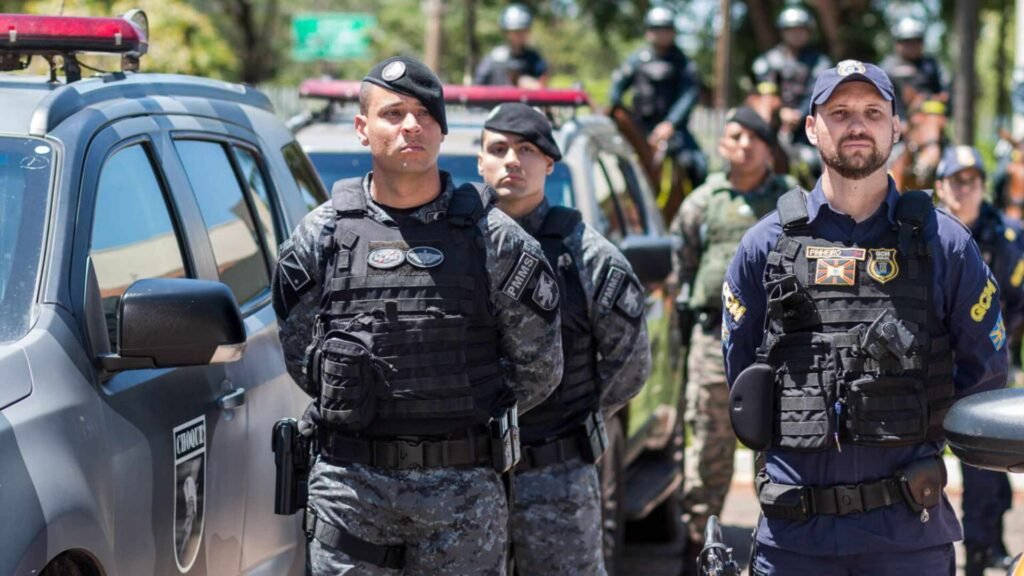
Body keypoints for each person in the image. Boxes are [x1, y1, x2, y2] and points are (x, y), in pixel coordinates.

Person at [271, 56, 564, 576]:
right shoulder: (322, 235)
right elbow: (300, 355)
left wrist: (457, 407)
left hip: (463, 497)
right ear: (362, 127)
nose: (411, 125)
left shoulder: (494, 239)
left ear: (442, 131)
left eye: (426, 114)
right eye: (393, 113)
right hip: (350, 492)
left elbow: (539, 367)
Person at [723, 60, 1008, 575]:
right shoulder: (766, 245)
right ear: (812, 127)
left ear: (896, 127)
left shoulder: (945, 244)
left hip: (907, 538)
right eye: (840, 113)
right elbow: (743, 375)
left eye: (873, 112)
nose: (857, 125)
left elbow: (984, 376)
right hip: (793, 540)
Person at [476, 102, 651, 575]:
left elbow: (630, 364)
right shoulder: (455, 244)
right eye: (499, 149)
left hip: (555, 476)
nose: (512, 161)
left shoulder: (588, 254)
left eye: (526, 150)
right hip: (465, 479)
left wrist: (574, 415)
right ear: (480, 161)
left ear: (549, 164)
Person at [668, 106, 795, 567]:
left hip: (779, 343)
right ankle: (696, 544)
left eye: (754, 138)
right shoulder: (703, 201)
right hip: (713, 341)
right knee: (708, 444)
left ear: (769, 149)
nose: (743, 145)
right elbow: (682, 265)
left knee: (781, 444)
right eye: (735, 136)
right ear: (722, 144)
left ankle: (782, 541)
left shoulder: (790, 203)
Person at [933, 146, 1020, 576]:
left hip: (985, 364)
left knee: (988, 466)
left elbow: (1016, 300)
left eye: (974, 180)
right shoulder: (923, 233)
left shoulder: (1006, 236)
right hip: (932, 365)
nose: (966, 189)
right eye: (957, 180)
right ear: (940, 186)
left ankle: (984, 549)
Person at [609, 5, 707, 188]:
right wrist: (619, 111)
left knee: (699, 165)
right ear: (648, 32)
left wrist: (670, 124)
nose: (661, 34)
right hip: (641, 127)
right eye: (656, 29)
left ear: (673, 32)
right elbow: (617, 86)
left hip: (674, 130)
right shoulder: (637, 60)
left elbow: (689, 95)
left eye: (666, 29)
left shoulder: (683, 63)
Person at [751, 6, 831, 147]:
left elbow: (817, 91)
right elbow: (764, 92)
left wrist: (799, 114)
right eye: (791, 30)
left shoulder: (820, 62)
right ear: (783, 31)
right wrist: (781, 111)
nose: (796, 34)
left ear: (809, 32)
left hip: (809, 124)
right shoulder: (769, 60)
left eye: (801, 30)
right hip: (774, 123)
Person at [880, 17, 950, 119]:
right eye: (906, 41)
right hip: (895, 117)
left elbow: (944, 91)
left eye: (916, 41)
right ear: (897, 43)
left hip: (927, 116)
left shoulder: (932, 65)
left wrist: (929, 99)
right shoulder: (887, 67)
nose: (911, 46)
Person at [474, 4, 549, 88]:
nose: (520, 35)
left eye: (524, 30)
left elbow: (542, 87)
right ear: (506, 32)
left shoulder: (535, 59)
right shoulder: (492, 59)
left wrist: (528, 83)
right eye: (516, 31)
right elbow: (478, 88)